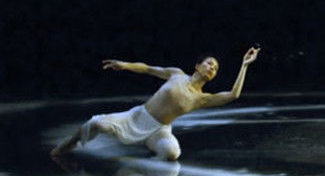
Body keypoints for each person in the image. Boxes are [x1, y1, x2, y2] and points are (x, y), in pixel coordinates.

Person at [51, 47, 261, 161]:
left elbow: (233, 95)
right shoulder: (176, 74)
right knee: (97, 124)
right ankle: (70, 143)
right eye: (209, 64)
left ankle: (143, 173)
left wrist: (244, 65)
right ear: (197, 66)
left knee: (172, 153)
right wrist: (125, 65)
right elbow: (148, 69)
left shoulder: (202, 99)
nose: (211, 68)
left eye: (215, 69)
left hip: (159, 130)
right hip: (137, 118)